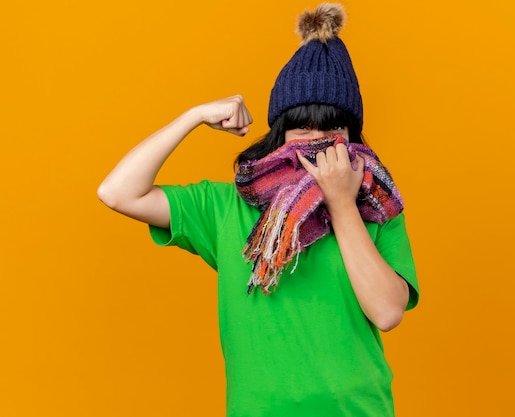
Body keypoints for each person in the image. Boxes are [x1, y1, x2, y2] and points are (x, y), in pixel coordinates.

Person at [98, 3, 419, 416]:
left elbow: (389, 311)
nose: (318, 141)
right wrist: (193, 116)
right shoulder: (225, 207)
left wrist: (341, 202)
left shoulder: (376, 206)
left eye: (333, 129)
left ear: (352, 135)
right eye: (302, 127)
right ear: (280, 134)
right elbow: (117, 192)